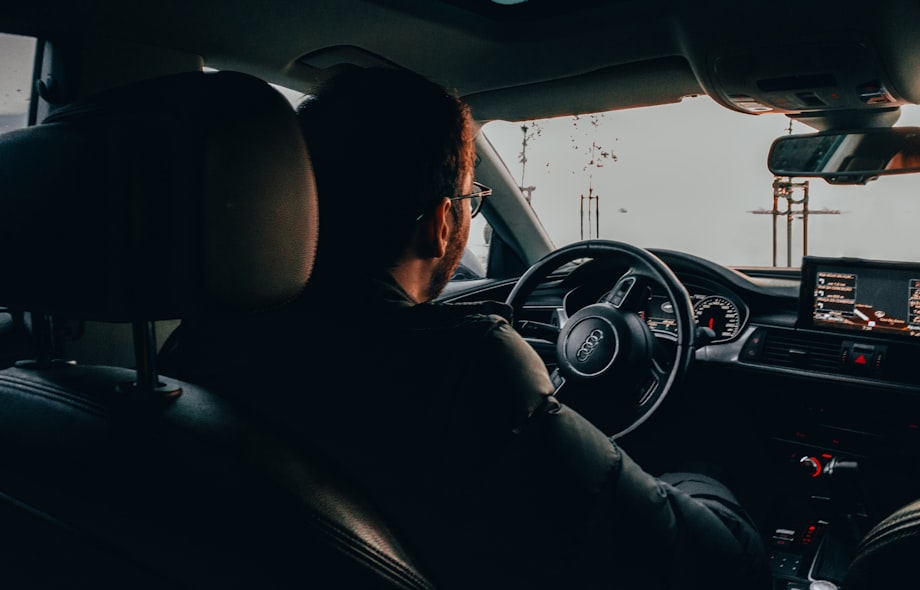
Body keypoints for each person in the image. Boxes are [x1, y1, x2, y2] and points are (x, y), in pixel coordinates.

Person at [159, 66, 769, 590]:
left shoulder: (197, 346)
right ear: (443, 220)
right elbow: (721, 568)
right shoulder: (464, 371)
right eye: (472, 199)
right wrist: (703, 466)